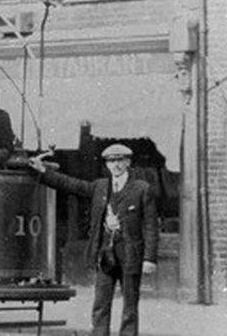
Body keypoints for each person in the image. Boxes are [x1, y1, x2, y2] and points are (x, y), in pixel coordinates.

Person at [29, 144, 158, 336]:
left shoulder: (141, 189)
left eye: (120, 160)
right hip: (105, 254)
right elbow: (73, 185)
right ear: (106, 165)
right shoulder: (100, 187)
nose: (116, 165)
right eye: (111, 161)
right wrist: (44, 171)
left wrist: (149, 258)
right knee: (100, 303)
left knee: (130, 304)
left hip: (131, 254)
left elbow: (150, 225)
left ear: (128, 162)